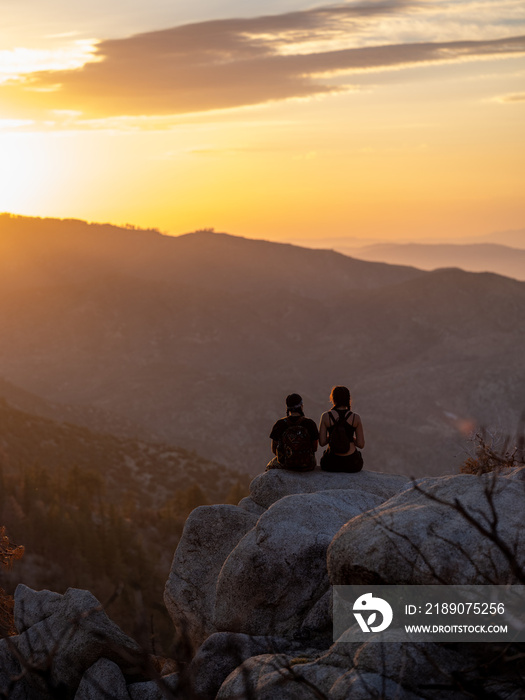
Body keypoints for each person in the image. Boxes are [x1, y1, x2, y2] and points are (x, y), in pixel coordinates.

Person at [266, 393, 319, 471]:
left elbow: (274, 449)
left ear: (287, 408)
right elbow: (315, 448)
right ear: (301, 406)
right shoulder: (310, 423)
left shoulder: (280, 424)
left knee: (270, 466)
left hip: (286, 465)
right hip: (307, 465)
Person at [318, 386, 365, 473]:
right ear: (348, 399)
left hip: (331, 463)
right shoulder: (355, 417)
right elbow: (361, 444)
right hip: (352, 464)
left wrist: (334, 436)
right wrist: (348, 437)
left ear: (333, 398)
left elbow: (322, 442)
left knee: (326, 453)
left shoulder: (326, 416)